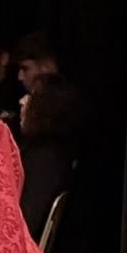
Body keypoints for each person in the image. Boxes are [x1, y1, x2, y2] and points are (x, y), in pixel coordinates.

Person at [18, 70, 88, 244]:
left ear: (46, 108)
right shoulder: (46, 151)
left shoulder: (47, 159)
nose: (22, 101)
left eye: (31, 96)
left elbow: (26, 221)